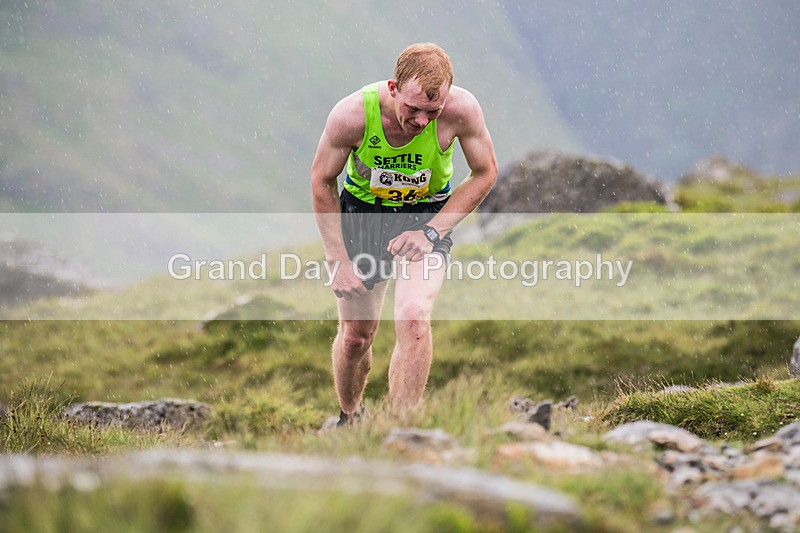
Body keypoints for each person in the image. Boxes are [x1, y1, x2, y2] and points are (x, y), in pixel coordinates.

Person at [311, 43, 498, 423]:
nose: (421, 121)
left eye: (433, 111)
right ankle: (350, 418)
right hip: (363, 217)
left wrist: (430, 232)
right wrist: (338, 259)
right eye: (413, 109)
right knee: (356, 337)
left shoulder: (462, 110)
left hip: (425, 217)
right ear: (393, 88)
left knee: (413, 316)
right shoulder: (352, 115)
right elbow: (321, 180)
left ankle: (400, 428)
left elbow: (486, 172)